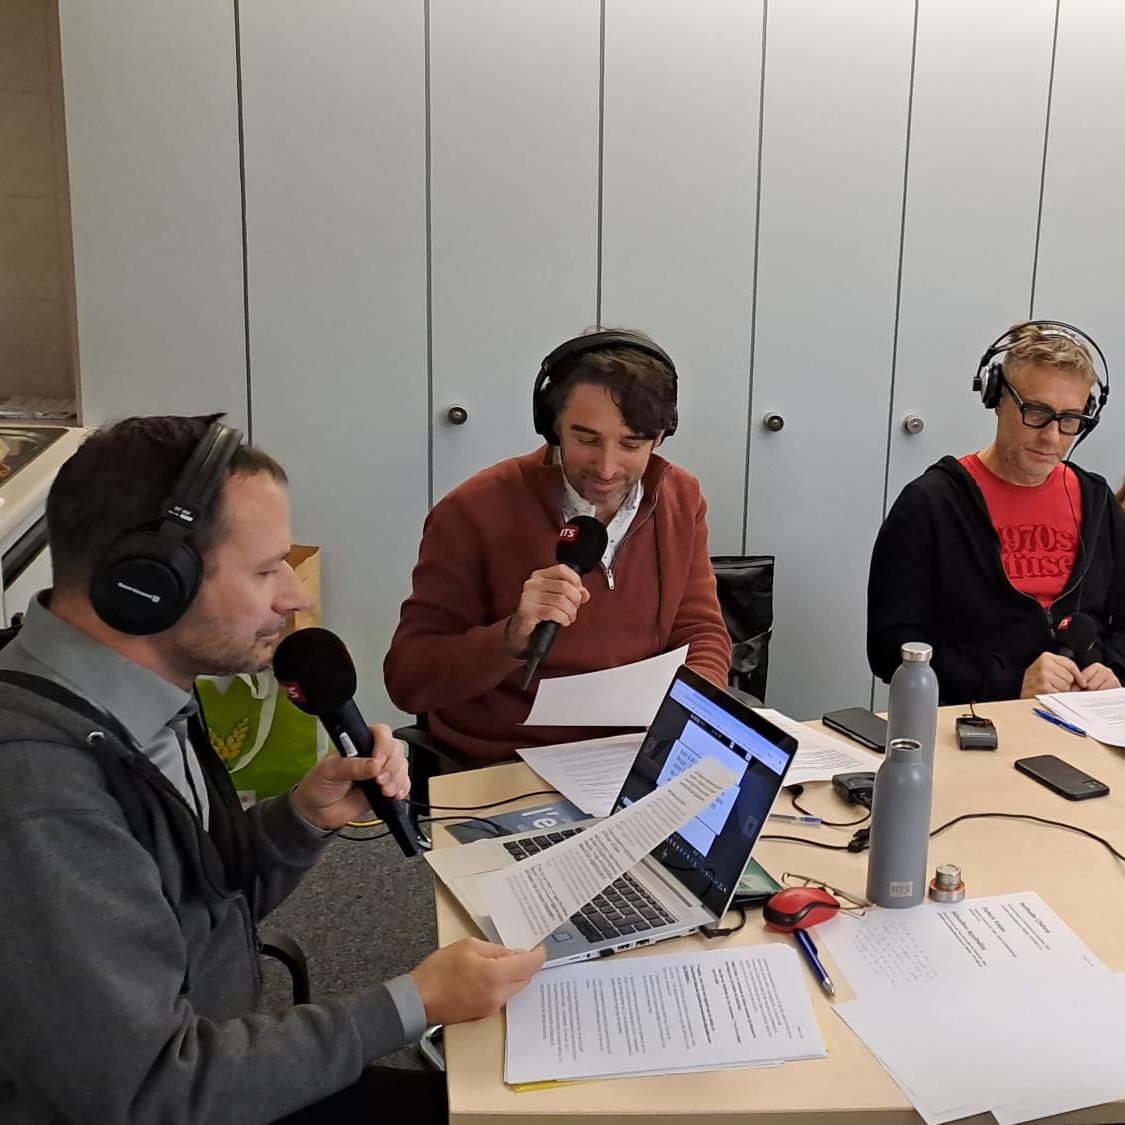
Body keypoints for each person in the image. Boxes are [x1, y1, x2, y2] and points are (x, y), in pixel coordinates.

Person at [0, 415, 544, 1125]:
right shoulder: (41, 789)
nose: (298, 597)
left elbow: (197, 914)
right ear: (151, 584)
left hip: (220, 1065)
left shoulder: (142, 700)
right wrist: (414, 1001)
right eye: (264, 570)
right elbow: (151, 1091)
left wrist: (301, 818)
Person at [385, 329, 731, 763]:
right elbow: (408, 678)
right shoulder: (472, 511)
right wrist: (509, 639)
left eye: (631, 444)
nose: (606, 468)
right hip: (505, 762)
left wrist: (691, 722)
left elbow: (700, 631)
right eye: (586, 439)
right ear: (552, 426)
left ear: (660, 437)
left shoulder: (681, 498)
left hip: (637, 754)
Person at [868, 320, 1125, 704]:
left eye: (1070, 420)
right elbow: (892, 648)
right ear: (997, 398)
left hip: (1082, 719)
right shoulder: (931, 504)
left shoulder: (1098, 501)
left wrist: (1114, 669)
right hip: (977, 720)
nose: (1052, 437)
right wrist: (1012, 682)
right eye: (1036, 412)